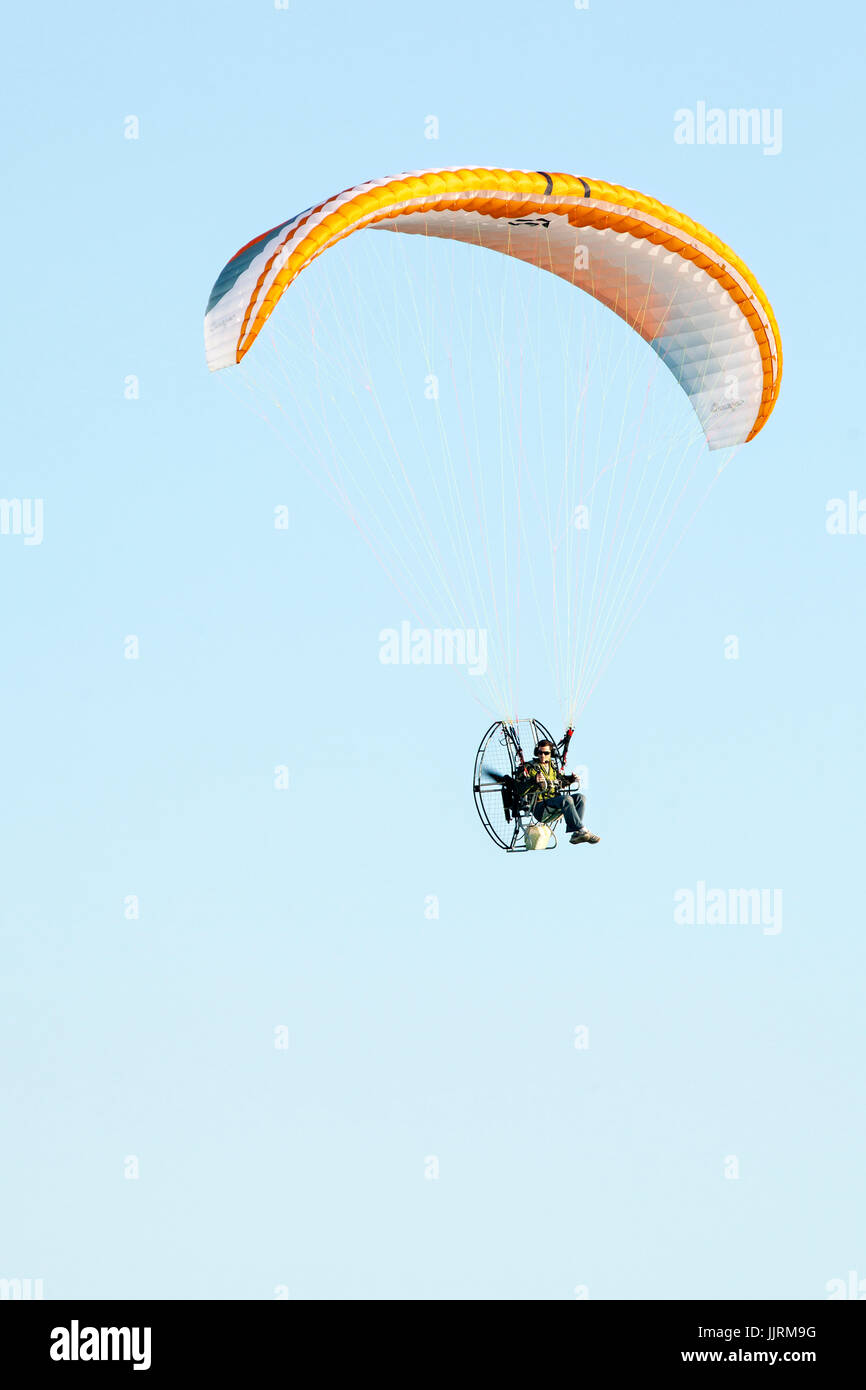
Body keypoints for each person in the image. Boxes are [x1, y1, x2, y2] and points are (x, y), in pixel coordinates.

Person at [518, 740, 600, 846]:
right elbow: (519, 789)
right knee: (566, 799)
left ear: (551, 754)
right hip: (540, 808)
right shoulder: (529, 767)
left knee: (580, 798)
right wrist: (533, 781)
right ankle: (582, 830)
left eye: (546, 753)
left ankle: (577, 833)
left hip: (554, 805)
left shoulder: (552, 767)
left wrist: (571, 779)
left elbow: (559, 782)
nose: (542, 755)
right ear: (536, 753)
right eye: (540, 753)